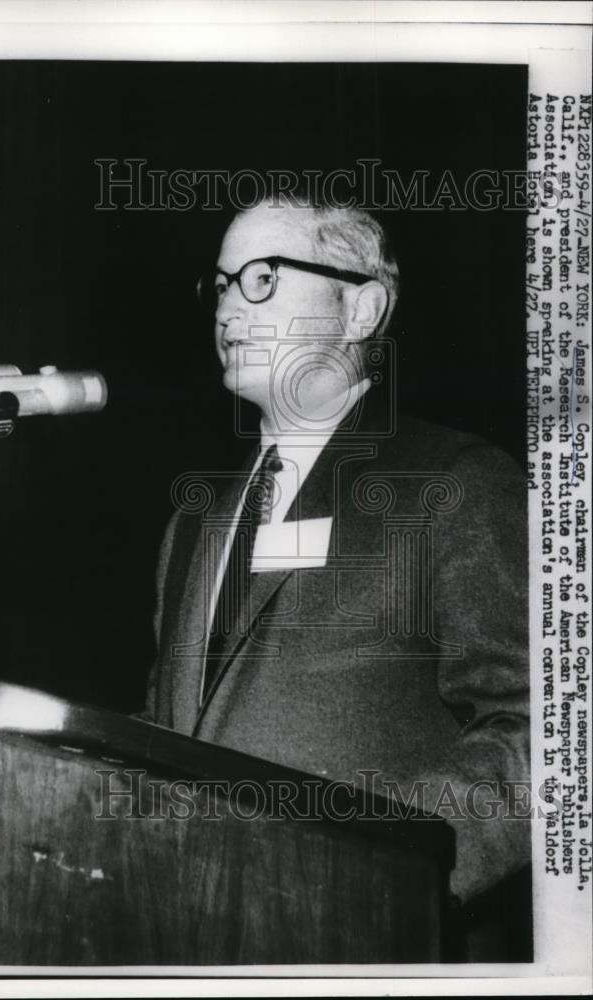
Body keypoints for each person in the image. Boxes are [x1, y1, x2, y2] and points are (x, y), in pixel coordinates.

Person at [143, 197, 530, 927]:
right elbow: (169, 737)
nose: (228, 309)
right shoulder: (192, 524)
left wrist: (383, 870)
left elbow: (546, 732)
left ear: (362, 310)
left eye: (262, 277)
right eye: (221, 284)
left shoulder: (454, 483)